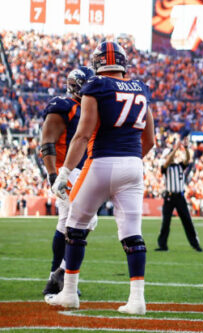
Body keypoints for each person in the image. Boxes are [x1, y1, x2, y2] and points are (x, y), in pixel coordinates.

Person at [46, 41, 155, 315]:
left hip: (101, 162)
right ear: (123, 62)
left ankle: (69, 293)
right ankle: (137, 300)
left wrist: (65, 172)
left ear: (97, 64)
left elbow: (82, 135)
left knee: (75, 227)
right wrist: (129, 160)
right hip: (133, 165)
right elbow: (150, 140)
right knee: (132, 234)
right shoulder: (141, 88)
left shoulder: (95, 86)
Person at [39, 66, 98, 298]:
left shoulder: (84, 107)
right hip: (65, 170)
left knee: (66, 223)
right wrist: (53, 174)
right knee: (87, 219)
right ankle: (61, 273)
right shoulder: (63, 105)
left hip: (77, 171)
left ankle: (57, 277)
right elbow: (48, 141)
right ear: (76, 84)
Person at [155, 138, 202, 252]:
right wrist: (176, 148)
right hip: (169, 197)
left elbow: (187, 159)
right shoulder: (165, 167)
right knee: (166, 222)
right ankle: (162, 245)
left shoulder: (180, 166)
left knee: (187, 221)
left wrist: (185, 148)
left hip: (180, 197)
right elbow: (167, 161)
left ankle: (195, 244)